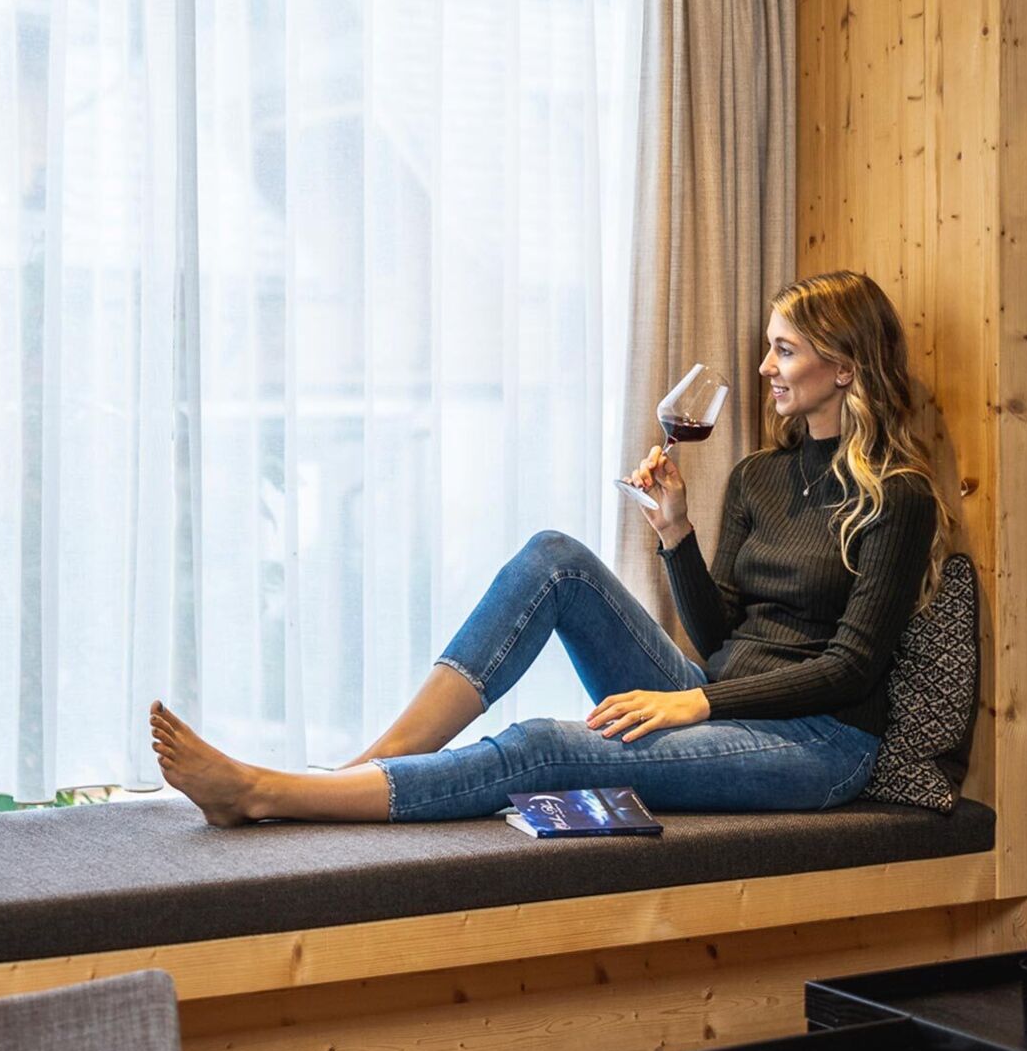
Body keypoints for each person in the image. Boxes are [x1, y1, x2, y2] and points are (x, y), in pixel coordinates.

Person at [150, 269, 946, 826]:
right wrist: (675, 532)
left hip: (819, 746)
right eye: (770, 346)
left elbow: (852, 669)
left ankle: (267, 793)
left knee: (545, 744)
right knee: (553, 557)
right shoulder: (758, 476)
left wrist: (697, 700)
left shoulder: (897, 495)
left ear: (843, 366)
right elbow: (720, 638)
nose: (766, 366)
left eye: (787, 350)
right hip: (720, 697)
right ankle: (376, 761)